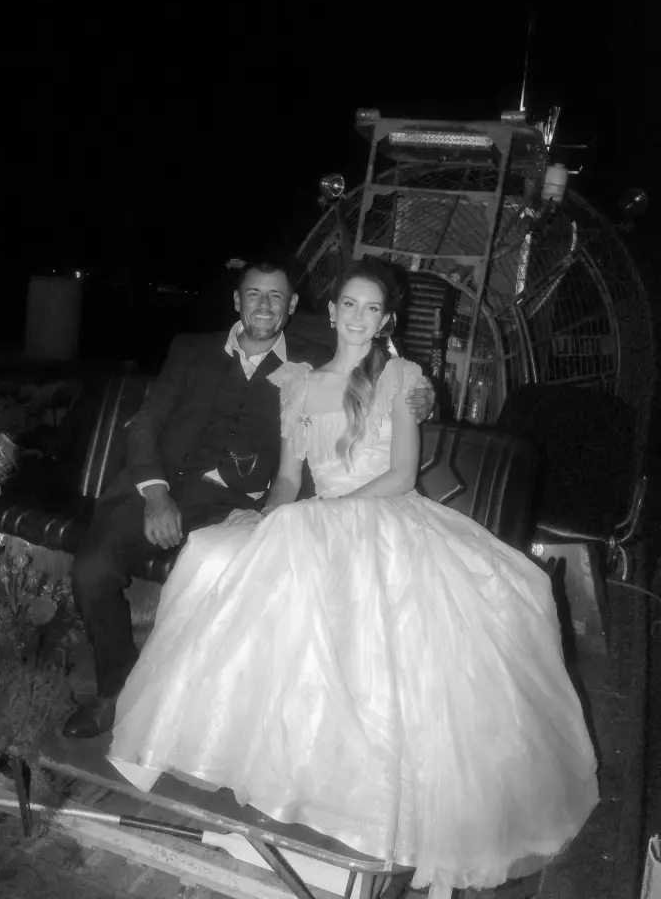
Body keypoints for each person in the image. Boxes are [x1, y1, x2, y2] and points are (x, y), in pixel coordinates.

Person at [108, 258, 599, 897]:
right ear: (332, 311)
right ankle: (225, 750)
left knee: (386, 615)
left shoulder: (400, 376)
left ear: (386, 319)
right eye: (349, 305)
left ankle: (363, 796)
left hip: (383, 515)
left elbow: (400, 475)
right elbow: (288, 478)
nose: (359, 318)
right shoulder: (298, 384)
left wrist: (324, 516)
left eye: (373, 309)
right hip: (317, 516)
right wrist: (268, 518)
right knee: (210, 554)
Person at [65, 257, 435, 738]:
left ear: (294, 306)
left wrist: (425, 396)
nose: (264, 304)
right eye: (254, 294)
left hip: (237, 504)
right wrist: (157, 495)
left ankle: (201, 699)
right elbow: (146, 425)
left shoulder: (310, 354)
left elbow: (378, 362)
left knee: (217, 567)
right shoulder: (191, 350)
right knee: (92, 568)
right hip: (168, 491)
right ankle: (116, 690)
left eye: (276, 296)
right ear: (236, 300)